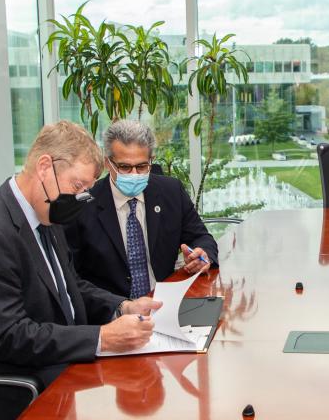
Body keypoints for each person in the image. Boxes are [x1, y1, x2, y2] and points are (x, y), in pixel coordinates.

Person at [0, 122, 160, 420]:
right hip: (12, 395)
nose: (78, 199)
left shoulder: (44, 214)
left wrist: (122, 307)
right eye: (77, 186)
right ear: (45, 167)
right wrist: (102, 337)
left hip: (60, 370)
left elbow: (71, 288)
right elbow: (11, 337)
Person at [65, 120, 218, 298]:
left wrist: (203, 255)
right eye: (124, 167)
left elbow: (201, 237)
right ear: (108, 163)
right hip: (112, 313)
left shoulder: (171, 191)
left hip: (165, 301)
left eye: (142, 166)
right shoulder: (83, 205)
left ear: (151, 160)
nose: (134, 174)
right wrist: (120, 307)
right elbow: (72, 278)